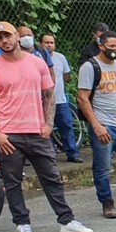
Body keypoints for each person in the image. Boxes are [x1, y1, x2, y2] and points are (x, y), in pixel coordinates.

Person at [0, 21, 94, 232]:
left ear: (16, 35)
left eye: (8, 36)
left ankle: (66, 220)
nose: (5, 41)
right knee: (12, 181)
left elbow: (49, 95)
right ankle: (22, 223)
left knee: (51, 176)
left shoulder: (37, 63)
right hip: (8, 134)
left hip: (37, 131)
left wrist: (48, 125)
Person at [77, 31, 116, 218]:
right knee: (102, 167)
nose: (114, 50)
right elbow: (82, 98)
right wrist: (96, 125)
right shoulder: (90, 67)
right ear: (101, 46)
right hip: (103, 125)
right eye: (110, 46)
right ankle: (107, 203)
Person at [40, 32, 81, 162]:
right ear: (41, 44)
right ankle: (48, 156)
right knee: (44, 129)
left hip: (60, 100)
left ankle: (72, 154)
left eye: (52, 42)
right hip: (42, 102)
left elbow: (66, 75)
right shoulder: (36, 58)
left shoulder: (60, 57)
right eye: (46, 42)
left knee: (66, 126)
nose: (49, 45)